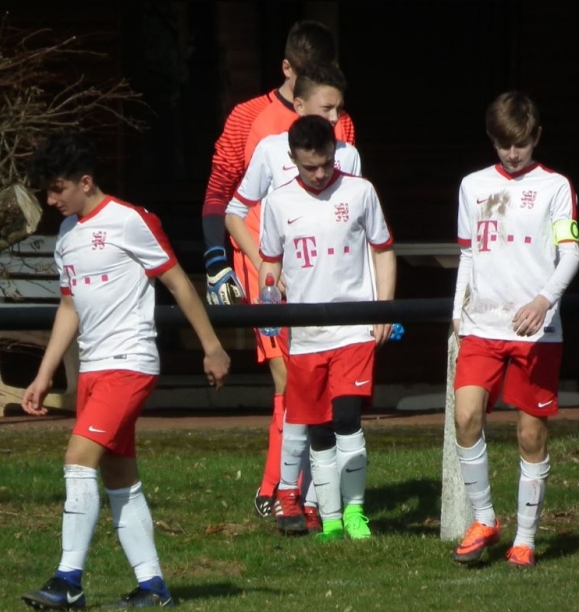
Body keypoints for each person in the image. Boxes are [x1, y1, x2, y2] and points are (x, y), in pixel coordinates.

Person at [20, 131, 230, 609]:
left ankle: (68, 581)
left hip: (130, 363)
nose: (51, 200)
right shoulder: (67, 235)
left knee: (78, 459)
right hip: (94, 369)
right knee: (118, 475)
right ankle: (153, 587)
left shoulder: (131, 220)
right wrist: (44, 374)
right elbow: (69, 307)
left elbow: (178, 283)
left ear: (85, 182)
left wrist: (212, 347)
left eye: (57, 189)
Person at [201, 19, 356, 520]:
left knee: (316, 378)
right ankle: (277, 489)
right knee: (289, 377)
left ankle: (307, 492)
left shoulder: (341, 125)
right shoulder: (249, 119)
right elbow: (220, 195)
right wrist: (217, 260)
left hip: (321, 269)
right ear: (288, 70)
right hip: (265, 266)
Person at [449, 91, 579, 568]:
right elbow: (468, 254)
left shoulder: (556, 186)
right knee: (466, 416)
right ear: (492, 140)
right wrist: (458, 309)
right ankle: (484, 519)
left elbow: (570, 255)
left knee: (530, 435)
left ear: (536, 137)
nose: (512, 153)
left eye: (521, 143)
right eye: (504, 144)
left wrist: (544, 301)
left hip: (536, 332)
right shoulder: (472, 186)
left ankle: (525, 538)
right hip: (482, 325)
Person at [258, 115, 395, 542]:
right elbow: (269, 263)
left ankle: (355, 512)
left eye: (325, 164)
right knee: (317, 427)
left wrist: (383, 310)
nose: (319, 175)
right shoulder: (278, 202)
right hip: (305, 335)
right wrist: (269, 297)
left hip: (353, 329)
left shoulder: (360, 191)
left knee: (347, 417)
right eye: (309, 167)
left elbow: (384, 251)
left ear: (335, 153)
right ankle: (329, 518)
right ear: (292, 159)